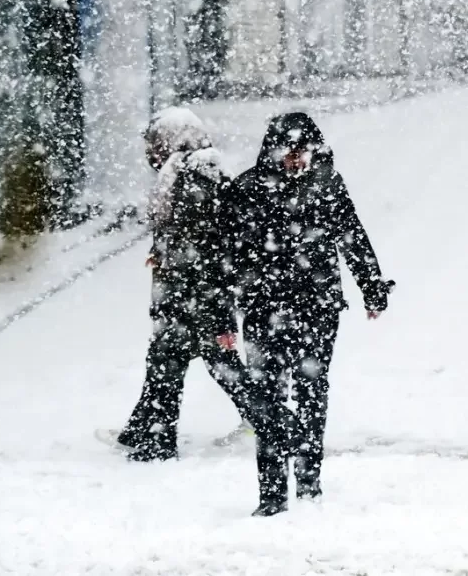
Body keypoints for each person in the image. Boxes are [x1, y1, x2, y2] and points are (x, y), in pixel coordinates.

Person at [227, 111, 393, 516]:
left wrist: (372, 288)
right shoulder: (248, 189)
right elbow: (226, 252)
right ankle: (271, 494)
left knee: (311, 390)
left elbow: (352, 236)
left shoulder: (327, 185)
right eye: (288, 151)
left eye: (302, 151)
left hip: (317, 308)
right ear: (273, 150)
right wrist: (228, 300)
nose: (295, 159)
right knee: (266, 395)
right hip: (264, 309)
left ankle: (309, 484)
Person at [101, 107, 260, 461]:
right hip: (186, 294)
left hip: (193, 297)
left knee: (193, 363)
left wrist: (216, 311)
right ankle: (144, 434)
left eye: (155, 144)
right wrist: (162, 253)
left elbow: (206, 247)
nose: (151, 154)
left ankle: (267, 423)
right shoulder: (187, 172)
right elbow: (189, 238)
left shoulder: (194, 177)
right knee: (169, 362)